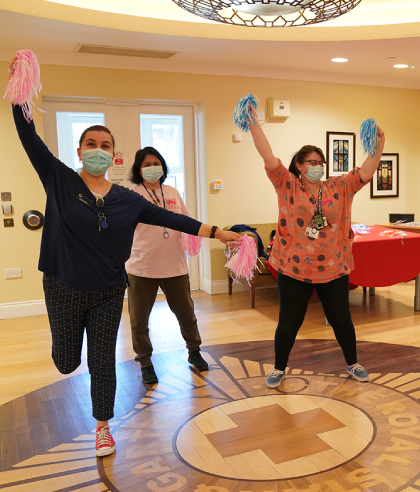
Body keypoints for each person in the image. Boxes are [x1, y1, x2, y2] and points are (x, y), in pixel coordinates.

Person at [8, 58, 241, 458]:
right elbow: (28, 136)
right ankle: (67, 357)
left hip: (108, 291)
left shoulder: (126, 200)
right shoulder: (60, 180)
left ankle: (103, 426)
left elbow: (173, 217)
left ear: (115, 156)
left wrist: (218, 233)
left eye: (106, 146)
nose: (98, 151)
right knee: (66, 363)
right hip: (63, 287)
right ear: (79, 151)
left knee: (103, 362)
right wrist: (19, 90)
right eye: (91, 145)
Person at [246, 103, 385, 388]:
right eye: (310, 162)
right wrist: (253, 124)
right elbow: (268, 156)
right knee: (288, 322)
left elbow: (366, 173)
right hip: (293, 268)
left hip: (334, 268)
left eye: (320, 162)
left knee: (342, 321)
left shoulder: (339, 187)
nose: (316, 166)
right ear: (299, 165)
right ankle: (279, 367)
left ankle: (353, 363)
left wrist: (379, 146)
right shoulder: (287, 184)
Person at [125, 147, 209, 385]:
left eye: (156, 163)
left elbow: (185, 221)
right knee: (139, 321)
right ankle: (145, 362)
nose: (152, 167)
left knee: (186, 314)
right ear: (139, 169)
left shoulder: (172, 191)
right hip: (142, 267)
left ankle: (194, 351)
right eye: (147, 164)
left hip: (175, 265)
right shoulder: (132, 195)